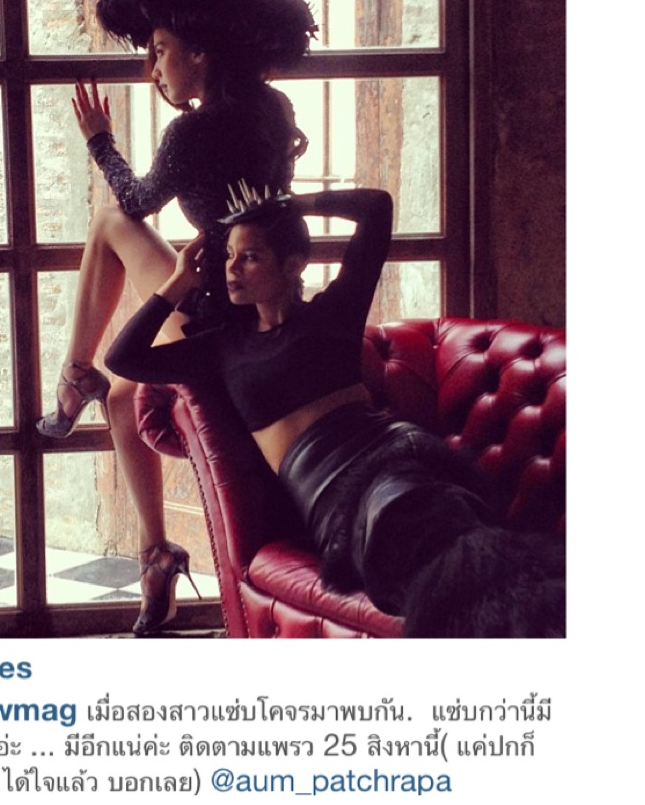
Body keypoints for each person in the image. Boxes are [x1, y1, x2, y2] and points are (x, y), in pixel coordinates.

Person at [105, 187, 566, 637]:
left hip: (400, 455)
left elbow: (377, 207)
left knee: (445, 535)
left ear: (294, 264)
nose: (232, 268)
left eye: (250, 256)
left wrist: (291, 204)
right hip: (335, 499)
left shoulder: (333, 313)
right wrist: (178, 281)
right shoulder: (222, 348)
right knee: (416, 555)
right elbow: (123, 358)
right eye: (228, 255)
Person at [35, 0, 316, 636]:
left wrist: (100, 142)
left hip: (213, 310)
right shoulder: (271, 109)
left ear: (200, 53)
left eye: (161, 50)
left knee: (109, 219)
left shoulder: (193, 131)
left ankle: (75, 374)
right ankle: (157, 560)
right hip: (256, 299)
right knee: (124, 400)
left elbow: (137, 201)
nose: (154, 69)